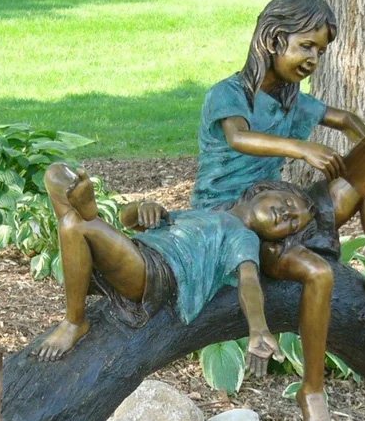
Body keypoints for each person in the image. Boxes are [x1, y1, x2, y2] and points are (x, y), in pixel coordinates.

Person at [192, 0, 365, 421]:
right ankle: (313, 391)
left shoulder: (294, 102)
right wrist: (301, 148)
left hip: (282, 208)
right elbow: (240, 138)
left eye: (320, 51)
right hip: (236, 218)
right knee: (318, 272)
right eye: (306, 46)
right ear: (272, 39)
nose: (314, 58)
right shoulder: (228, 94)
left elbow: (343, 118)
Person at [36, 162, 318, 382]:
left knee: (74, 224)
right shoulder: (204, 214)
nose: (286, 215)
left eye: (292, 225)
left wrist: (258, 329)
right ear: (261, 190)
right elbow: (129, 222)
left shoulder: (244, 238)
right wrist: (142, 209)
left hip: (156, 273)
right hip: (136, 250)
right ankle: (88, 213)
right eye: (289, 204)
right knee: (56, 174)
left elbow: (248, 280)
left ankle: (75, 321)